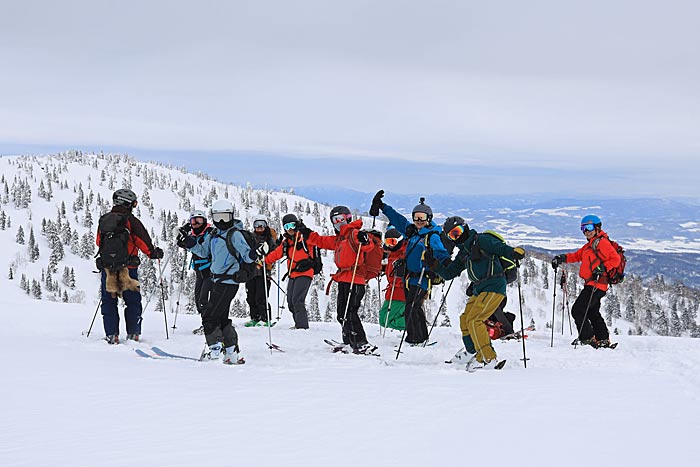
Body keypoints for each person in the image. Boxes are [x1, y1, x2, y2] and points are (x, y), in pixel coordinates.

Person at [431, 216, 525, 370]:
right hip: (479, 289)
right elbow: (450, 273)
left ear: (465, 227)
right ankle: (471, 350)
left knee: (475, 320)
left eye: (458, 231)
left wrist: (514, 252)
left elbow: (499, 248)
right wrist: (434, 265)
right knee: (465, 319)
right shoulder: (464, 252)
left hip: (494, 286)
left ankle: (488, 359)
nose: (457, 237)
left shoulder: (481, 240)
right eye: (452, 235)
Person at [176, 199, 261, 364]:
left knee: (209, 315)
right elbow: (202, 251)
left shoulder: (234, 234)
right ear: (213, 218)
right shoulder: (214, 234)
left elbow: (247, 255)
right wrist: (186, 241)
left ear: (231, 216)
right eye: (218, 217)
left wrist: (257, 253)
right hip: (217, 280)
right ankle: (231, 352)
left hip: (229, 282)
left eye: (225, 217)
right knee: (221, 317)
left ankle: (215, 350)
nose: (222, 221)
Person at [370, 191, 451, 345]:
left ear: (429, 218)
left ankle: (414, 338)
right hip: (410, 278)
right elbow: (398, 219)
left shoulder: (431, 236)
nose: (418, 220)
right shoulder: (412, 232)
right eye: (416, 217)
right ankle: (421, 337)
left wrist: (446, 263)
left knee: (411, 308)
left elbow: (440, 251)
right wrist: (382, 206)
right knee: (415, 308)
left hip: (422, 277)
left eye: (422, 217)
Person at [300, 206, 376, 352]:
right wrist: (306, 232)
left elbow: (367, 246)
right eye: (335, 220)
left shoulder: (354, 233)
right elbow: (321, 241)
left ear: (348, 218)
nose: (339, 222)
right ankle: (348, 340)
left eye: (341, 218)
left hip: (355, 279)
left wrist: (365, 240)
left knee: (350, 312)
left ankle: (361, 342)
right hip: (344, 279)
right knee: (342, 314)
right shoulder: (340, 239)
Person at [96, 188, 163, 344]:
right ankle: (133, 333)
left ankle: (112, 335)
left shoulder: (105, 219)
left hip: (109, 268)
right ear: (128, 204)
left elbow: (99, 242)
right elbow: (143, 241)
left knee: (109, 302)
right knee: (132, 301)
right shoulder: (131, 221)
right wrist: (153, 254)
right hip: (128, 268)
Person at [551, 215, 621, 348]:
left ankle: (588, 338)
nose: (586, 231)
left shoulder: (602, 243)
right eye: (583, 228)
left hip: (597, 284)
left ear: (597, 228)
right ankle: (602, 339)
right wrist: (562, 258)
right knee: (592, 312)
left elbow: (615, 259)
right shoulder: (590, 245)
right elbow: (577, 256)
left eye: (589, 227)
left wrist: (602, 268)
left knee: (577, 310)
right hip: (593, 284)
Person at [264, 214, 314, 329]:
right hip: (293, 274)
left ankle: (302, 327)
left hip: (305, 273)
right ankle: (298, 325)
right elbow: (276, 254)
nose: (290, 229)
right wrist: (264, 261)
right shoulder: (287, 242)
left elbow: (317, 241)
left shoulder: (304, 237)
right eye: (287, 227)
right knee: (290, 302)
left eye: (292, 225)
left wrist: (304, 232)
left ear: (296, 224)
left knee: (297, 300)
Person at [178, 210, 213, 335]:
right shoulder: (194, 234)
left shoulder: (209, 233)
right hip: (199, 271)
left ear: (204, 221)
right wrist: (183, 237)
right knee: (198, 300)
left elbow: (203, 251)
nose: (196, 224)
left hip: (210, 271)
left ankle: (210, 326)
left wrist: (189, 242)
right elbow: (184, 243)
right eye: (193, 221)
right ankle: (207, 324)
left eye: (199, 220)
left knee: (204, 300)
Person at [244, 215, 278, 327]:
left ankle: (265, 318)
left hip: (263, 271)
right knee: (251, 296)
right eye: (256, 225)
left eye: (261, 225)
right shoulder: (251, 237)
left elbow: (274, 252)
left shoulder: (269, 238)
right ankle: (254, 317)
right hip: (252, 271)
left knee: (261, 296)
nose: (259, 228)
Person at [379, 228, 406, 331]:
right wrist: (382, 268)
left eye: (392, 242)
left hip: (401, 292)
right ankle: (413, 320)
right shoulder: (392, 254)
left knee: (386, 320)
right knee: (382, 320)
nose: (390, 245)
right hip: (392, 291)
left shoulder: (404, 253)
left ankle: (415, 323)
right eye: (387, 242)